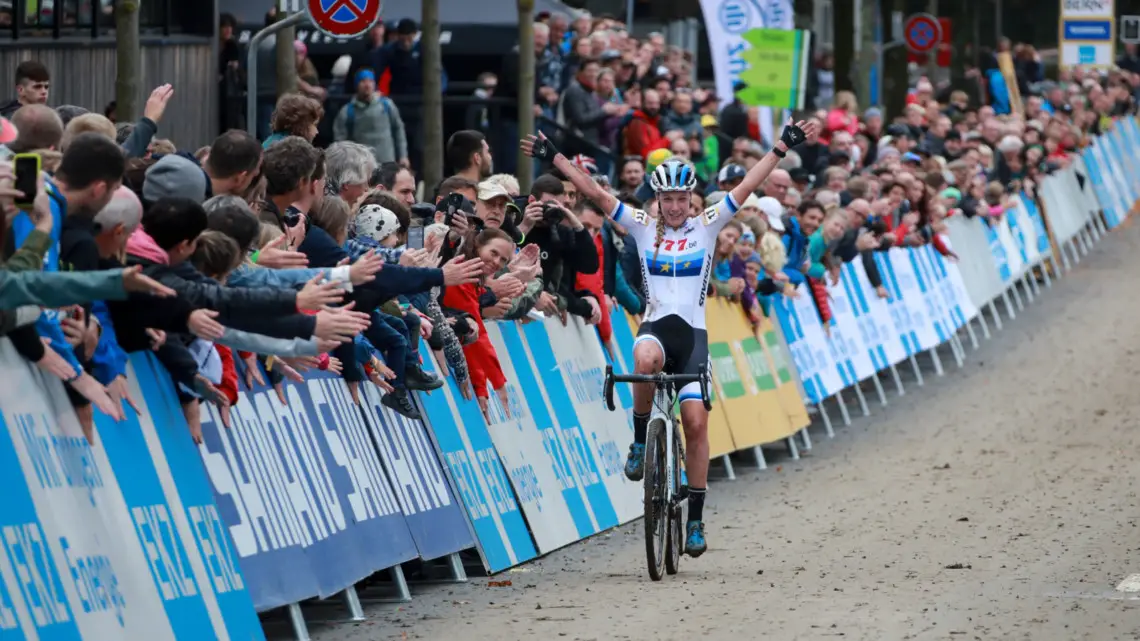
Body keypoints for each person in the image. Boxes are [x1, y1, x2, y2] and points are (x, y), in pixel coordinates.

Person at [521, 117, 817, 558]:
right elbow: (599, 194)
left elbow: (747, 186)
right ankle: (641, 441)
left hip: (693, 336)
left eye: (682, 198)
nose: (676, 206)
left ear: (691, 199)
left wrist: (780, 147)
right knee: (642, 361)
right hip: (656, 328)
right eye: (668, 199)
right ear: (657, 199)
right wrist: (555, 158)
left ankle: (695, 519)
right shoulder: (641, 226)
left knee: (696, 423)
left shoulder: (708, 226)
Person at [332, 69, 408, 166]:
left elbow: (398, 130)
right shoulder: (347, 111)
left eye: (370, 81)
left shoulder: (386, 105)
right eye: (363, 81)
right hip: (362, 165)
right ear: (356, 85)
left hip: (387, 162)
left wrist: (403, 155)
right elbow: (340, 141)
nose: (367, 85)